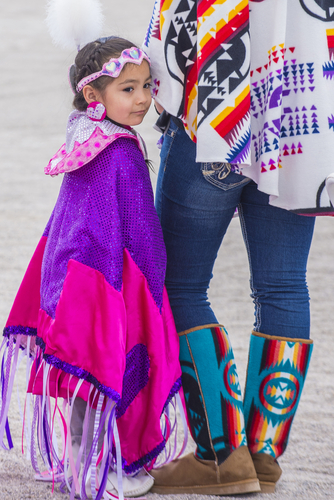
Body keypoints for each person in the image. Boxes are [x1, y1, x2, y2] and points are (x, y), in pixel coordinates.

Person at [143, 0, 334, 495]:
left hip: (218, 116)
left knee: (181, 285)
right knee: (284, 286)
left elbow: (180, 27)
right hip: (296, 122)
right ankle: (264, 456)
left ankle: (223, 457)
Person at [0, 36, 184, 500]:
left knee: (89, 377)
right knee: (109, 374)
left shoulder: (85, 136)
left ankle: (82, 463)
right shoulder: (120, 152)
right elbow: (139, 226)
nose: (142, 98)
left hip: (72, 277)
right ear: (93, 96)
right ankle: (104, 471)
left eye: (146, 85)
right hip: (108, 282)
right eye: (127, 88)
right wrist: (153, 282)